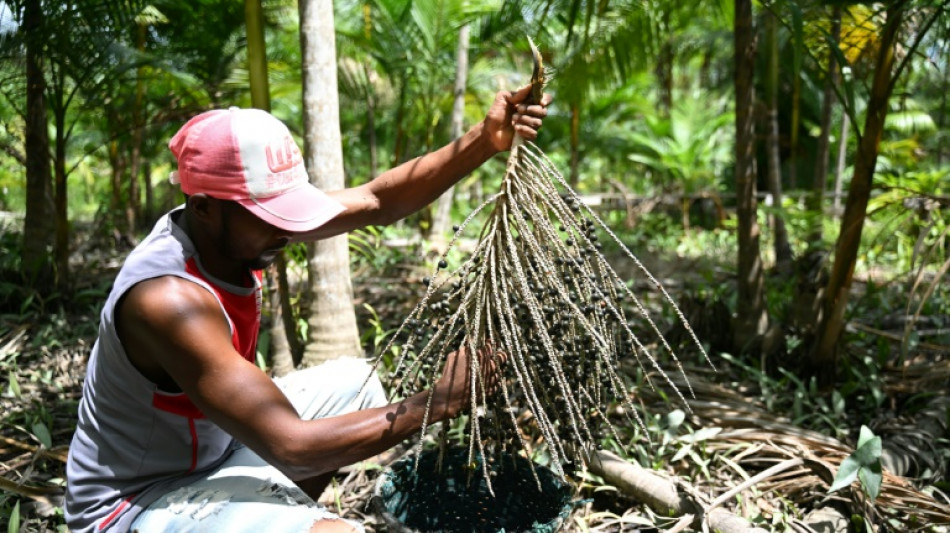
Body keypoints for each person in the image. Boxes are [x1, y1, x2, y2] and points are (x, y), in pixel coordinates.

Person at [64, 84, 551, 533]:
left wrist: (484, 141)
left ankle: (279, 515)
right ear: (204, 206)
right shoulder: (168, 300)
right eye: (268, 215)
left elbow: (377, 199)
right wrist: (437, 403)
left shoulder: (239, 232)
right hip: (136, 504)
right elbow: (292, 449)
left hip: (215, 450)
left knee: (356, 384)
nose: (285, 230)